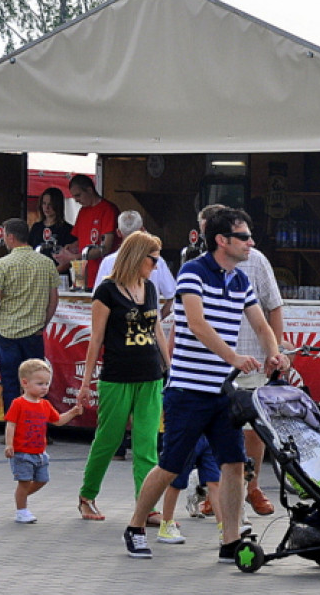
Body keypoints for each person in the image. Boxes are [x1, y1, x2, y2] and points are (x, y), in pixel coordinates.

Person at [121, 207, 288, 560]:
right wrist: (233, 357)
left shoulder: (240, 280)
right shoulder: (192, 272)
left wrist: (275, 353)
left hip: (224, 393)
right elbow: (196, 325)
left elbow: (261, 325)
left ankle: (230, 541)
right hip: (188, 390)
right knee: (171, 465)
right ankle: (135, 526)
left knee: (234, 464)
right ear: (222, 240)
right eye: (244, 237)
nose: (251, 243)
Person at [198, 204, 288, 517]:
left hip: (251, 359)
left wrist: (274, 352)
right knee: (214, 429)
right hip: (213, 363)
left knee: (253, 429)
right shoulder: (197, 266)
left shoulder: (255, 260)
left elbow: (273, 307)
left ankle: (252, 486)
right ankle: (214, 488)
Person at [77, 231, 170, 522]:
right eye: (153, 260)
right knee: (108, 438)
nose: (156, 266)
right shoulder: (106, 291)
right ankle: (87, 495)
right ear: (137, 257)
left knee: (147, 442)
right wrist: (85, 383)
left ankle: (147, 506)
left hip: (150, 374)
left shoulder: (150, 288)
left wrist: (169, 368)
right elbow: (96, 339)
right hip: (117, 374)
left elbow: (157, 330)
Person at [0, 219, 60, 417]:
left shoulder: (2, 264)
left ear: (11, 237)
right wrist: (44, 323)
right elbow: (54, 299)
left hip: (7, 332)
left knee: (10, 382)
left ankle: (13, 425)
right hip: (34, 332)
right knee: (37, 382)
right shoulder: (46, 263)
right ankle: (37, 424)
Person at [4, 358, 83, 523]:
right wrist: (9, 444)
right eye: (40, 383)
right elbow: (11, 424)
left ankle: (20, 497)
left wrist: (73, 412)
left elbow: (58, 420)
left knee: (42, 480)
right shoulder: (18, 403)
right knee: (24, 482)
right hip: (22, 452)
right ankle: (21, 511)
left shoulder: (45, 405)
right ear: (25, 383)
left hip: (40, 453)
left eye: (47, 383)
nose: (44, 387)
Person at [94, 210, 176, 319]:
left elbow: (98, 301)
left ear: (118, 233)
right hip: (146, 325)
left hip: (119, 326)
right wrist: (157, 318)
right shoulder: (158, 261)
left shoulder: (108, 262)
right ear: (142, 230)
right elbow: (173, 297)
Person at [68, 174, 119, 290]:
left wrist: (77, 256)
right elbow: (81, 240)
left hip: (101, 276)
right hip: (81, 273)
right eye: (74, 197)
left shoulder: (108, 209)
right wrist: (69, 249)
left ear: (90, 190)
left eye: (78, 195)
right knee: (78, 297)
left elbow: (106, 247)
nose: (76, 200)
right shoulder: (82, 211)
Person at [28, 187, 77, 275]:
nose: (46, 207)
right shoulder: (36, 227)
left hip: (59, 276)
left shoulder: (67, 229)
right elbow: (29, 251)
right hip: (37, 274)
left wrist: (51, 273)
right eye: (44, 203)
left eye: (50, 204)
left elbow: (70, 260)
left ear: (57, 205)